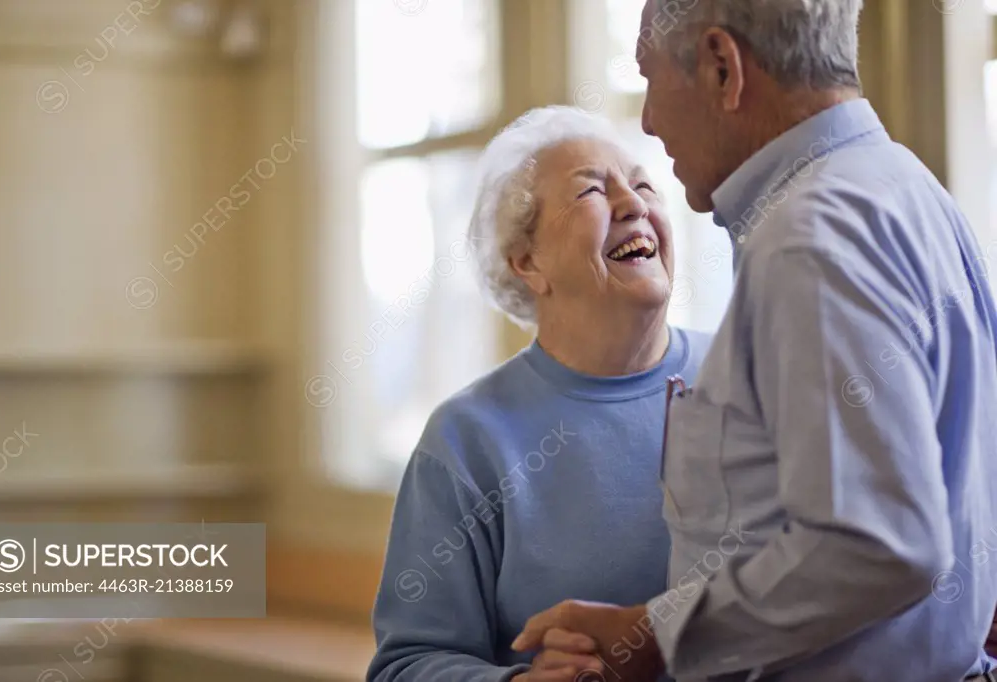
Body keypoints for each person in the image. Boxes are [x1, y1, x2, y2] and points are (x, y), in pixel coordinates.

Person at [512, 1, 997, 681]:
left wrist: (654, 634)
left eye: (649, 77)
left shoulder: (808, 236)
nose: (648, 120)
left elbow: (880, 544)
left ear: (721, 68)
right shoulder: (910, 191)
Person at [365, 106, 711, 682]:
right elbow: (405, 666)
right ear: (527, 262)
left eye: (644, 183)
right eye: (592, 192)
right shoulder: (467, 437)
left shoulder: (749, 374)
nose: (635, 204)